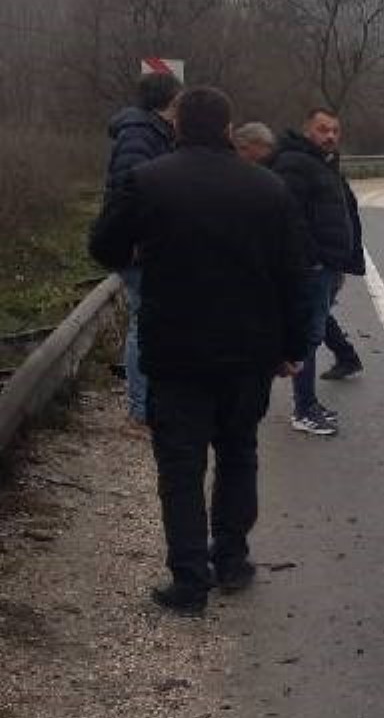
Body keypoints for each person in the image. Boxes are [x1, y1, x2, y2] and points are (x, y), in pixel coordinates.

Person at [88, 86, 309, 613]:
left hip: (176, 350)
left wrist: (144, 247)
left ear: (178, 125)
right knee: (238, 453)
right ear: (229, 129)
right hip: (248, 352)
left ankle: (189, 581)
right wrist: (293, 346)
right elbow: (293, 276)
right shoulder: (269, 189)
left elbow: (104, 247)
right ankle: (231, 560)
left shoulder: (149, 181)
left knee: (180, 467)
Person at [104, 71, 183, 428]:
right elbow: (132, 192)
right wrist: (137, 241)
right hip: (140, 248)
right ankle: (141, 408)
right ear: (169, 101)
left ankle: (149, 400)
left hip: (147, 245)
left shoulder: (152, 131)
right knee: (145, 323)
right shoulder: (140, 135)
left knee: (152, 321)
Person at [270, 108, 352, 436]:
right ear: (307, 130)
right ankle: (303, 409)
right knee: (307, 337)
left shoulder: (323, 162)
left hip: (326, 264)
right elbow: (290, 216)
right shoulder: (296, 163)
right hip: (312, 267)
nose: (330, 136)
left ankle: (309, 403)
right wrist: (313, 258)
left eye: (335, 130)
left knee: (313, 335)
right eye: (322, 129)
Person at [319, 169, 365, 381]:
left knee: (314, 314)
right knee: (318, 314)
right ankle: (346, 357)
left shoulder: (327, 179)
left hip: (325, 260)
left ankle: (347, 357)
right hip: (332, 259)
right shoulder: (331, 176)